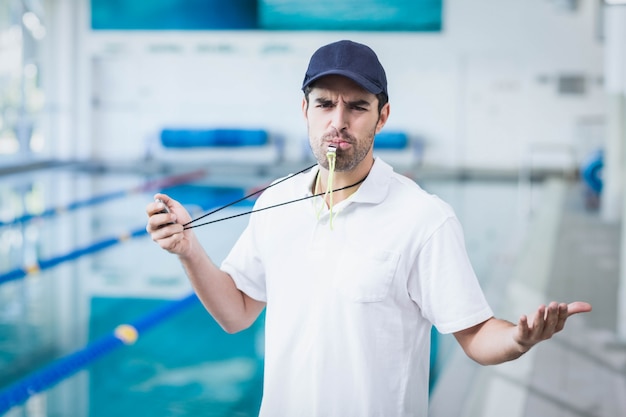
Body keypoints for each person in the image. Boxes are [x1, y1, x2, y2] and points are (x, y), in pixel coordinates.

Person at [146, 40, 592, 417]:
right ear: (305, 110)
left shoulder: (423, 218)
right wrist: (189, 249)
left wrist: (518, 338)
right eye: (324, 104)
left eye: (357, 106)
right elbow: (237, 313)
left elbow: (475, 335)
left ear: (382, 117)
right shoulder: (277, 200)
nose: (338, 121)